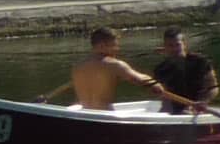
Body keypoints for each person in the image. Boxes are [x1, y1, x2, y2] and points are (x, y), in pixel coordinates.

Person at [42, 27, 184, 112]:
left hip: (86, 113)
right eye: (115, 45)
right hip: (105, 114)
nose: (118, 49)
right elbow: (140, 80)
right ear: (102, 45)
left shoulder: (78, 66)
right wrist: (156, 85)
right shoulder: (115, 65)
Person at [156, 28, 220, 110]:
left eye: (177, 45)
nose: (174, 49)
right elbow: (164, 96)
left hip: (199, 107)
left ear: (184, 44)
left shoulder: (200, 62)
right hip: (175, 110)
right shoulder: (161, 69)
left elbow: (213, 87)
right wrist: (166, 112)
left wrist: (203, 102)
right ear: (165, 46)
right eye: (170, 45)